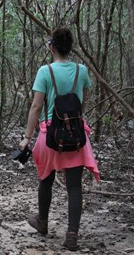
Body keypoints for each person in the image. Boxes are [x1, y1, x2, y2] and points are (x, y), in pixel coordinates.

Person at [18, 28, 100, 251]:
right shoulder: (81, 70)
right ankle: (72, 235)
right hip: (76, 136)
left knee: (46, 179)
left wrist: (27, 137)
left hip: (49, 135)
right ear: (70, 47)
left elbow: (36, 106)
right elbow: (83, 102)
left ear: (51, 46)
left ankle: (42, 222)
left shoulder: (45, 72)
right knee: (74, 187)